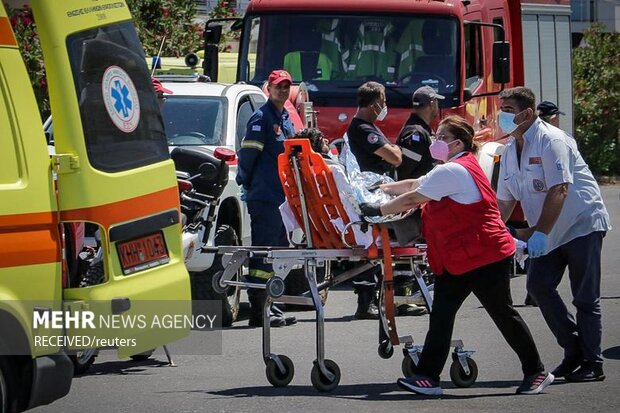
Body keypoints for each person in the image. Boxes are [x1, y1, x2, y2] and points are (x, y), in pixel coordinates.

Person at [361, 115, 554, 396]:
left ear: (457, 143)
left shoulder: (451, 171)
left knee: (502, 314)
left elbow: (414, 198)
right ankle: (427, 376)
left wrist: (377, 211)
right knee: (441, 315)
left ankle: (536, 372)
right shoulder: (454, 167)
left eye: (441, 138)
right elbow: (415, 184)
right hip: (462, 257)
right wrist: (379, 189)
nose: (435, 142)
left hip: (484, 256)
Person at [496, 87, 611, 382]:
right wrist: (493, 231)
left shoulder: (552, 140)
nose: (502, 115)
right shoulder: (510, 149)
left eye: (508, 109)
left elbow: (560, 189)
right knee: (538, 286)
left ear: (527, 113)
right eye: (502, 108)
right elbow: (505, 201)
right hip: (546, 230)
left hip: (580, 224)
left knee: (585, 298)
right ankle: (573, 350)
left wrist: (540, 234)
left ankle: (593, 362)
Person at [236, 69, 297, 328]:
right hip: (265, 197)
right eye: (278, 86)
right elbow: (248, 156)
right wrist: (247, 183)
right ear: (268, 89)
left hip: (282, 199)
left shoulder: (285, 118)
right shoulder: (261, 118)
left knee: (280, 252)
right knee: (263, 254)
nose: (282, 90)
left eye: (286, 86)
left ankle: (274, 304)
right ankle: (260, 310)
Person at [346, 81, 402, 319]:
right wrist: (394, 149)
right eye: (384, 101)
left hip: (373, 193)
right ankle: (366, 302)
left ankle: (372, 300)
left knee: (372, 247)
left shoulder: (365, 126)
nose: (386, 106)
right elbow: (395, 157)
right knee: (369, 247)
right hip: (370, 194)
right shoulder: (363, 129)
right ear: (375, 103)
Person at [395, 86, 444, 180]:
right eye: (437, 102)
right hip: (416, 191)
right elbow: (405, 171)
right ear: (432, 104)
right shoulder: (416, 133)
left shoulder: (422, 129)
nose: (438, 106)